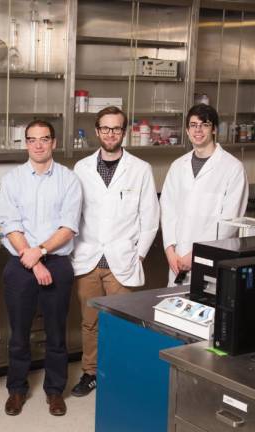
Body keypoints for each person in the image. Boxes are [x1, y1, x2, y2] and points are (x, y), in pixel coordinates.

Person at [70, 106, 160, 397]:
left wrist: (141, 255)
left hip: (123, 259)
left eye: (117, 129)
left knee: (123, 324)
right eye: (105, 128)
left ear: (124, 132)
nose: (111, 134)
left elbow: (151, 218)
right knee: (90, 323)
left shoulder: (140, 169)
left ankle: (121, 374)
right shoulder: (81, 168)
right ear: (97, 131)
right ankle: (90, 373)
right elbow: (73, 215)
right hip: (88, 259)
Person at [0, 119, 82, 417]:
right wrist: (32, 260)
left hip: (57, 262)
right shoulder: (12, 180)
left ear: (54, 142)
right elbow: (10, 224)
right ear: (26, 144)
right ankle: (17, 390)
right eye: (32, 139)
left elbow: (69, 226)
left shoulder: (69, 180)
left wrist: (42, 252)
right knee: (18, 333)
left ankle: (55, 391)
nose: (38, 145)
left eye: (44, 139)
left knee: (56, 333)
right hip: (21, 265)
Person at [160, 104, 248, 286]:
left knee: (207, 310)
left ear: (214, 129)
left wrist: (196, 254)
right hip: (177, 261)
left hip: (212, 260)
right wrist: (170, 251)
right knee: (174, 310)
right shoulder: (178, 166)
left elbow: (229, 222)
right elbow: (167, 211)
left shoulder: (232, 168)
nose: (198, 130)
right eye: (193, 125)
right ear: (187, 130)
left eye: (204, 124)